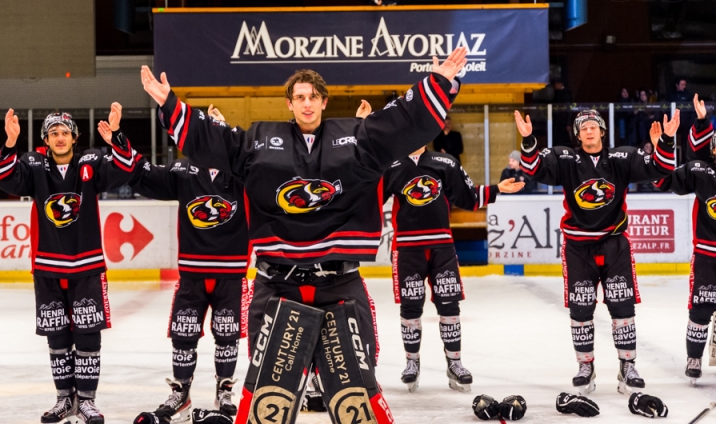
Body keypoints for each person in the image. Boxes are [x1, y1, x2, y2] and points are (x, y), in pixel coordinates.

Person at [140, 46, 467, 423]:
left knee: (355, 396)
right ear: (289, 104)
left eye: (313, 97)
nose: (307, 103)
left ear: (324, 102)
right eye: (299, 97)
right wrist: (171, 106)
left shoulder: (357, 137)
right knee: (268, 400)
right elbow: (217, 142)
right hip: (278, 285)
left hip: (339, 283)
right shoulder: (261, 139)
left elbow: (399, 122)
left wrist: (438, 84)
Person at [515, 107, 680, 395]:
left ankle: (627, 366)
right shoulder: (566, 158)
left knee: (622, 307)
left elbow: (660, 169)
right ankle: (585, 366)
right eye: (583, 127)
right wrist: (529, 142)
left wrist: (665, 142)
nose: (589, 130)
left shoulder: (622, 157)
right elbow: (534, 170)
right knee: (581, 309)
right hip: (578, 247)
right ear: (577, 135)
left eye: (593, 126)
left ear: (602, 131)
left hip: (614, 243)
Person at [100, 106, 248, 423]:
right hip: (193, 274)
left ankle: (224, 391)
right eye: (208, 133)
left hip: (231, 274)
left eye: (219, 132)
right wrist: (119, 139)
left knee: (227, 335)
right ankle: (181, 391)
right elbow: (142, 174)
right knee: (184, 334)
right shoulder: (184, 171)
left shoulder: (244, 174)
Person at [0, 105, 138, 424]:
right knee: (57, 336)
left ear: (75, 137)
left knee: (88, 335)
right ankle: (64, 399)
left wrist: (116, 136)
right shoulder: (34, 165)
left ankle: (85, 400)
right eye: (53, 133)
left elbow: (127, 168)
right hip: (47, 267)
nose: (60, 138)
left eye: (64, 133)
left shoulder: (91, 163)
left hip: (86, 266)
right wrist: (10, 142)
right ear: (46, 139)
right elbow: (5, 179)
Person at [383, 144, 523, 393]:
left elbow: (465, 195)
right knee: (411, 306)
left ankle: (455, 362)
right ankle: (411, 363)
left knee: (449, 304)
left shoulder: (444, 162)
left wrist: (496, 189)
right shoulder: (390, 163)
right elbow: (367, 199)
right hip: (407, 248)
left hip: (442, 245)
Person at [658, 94, 716, 383]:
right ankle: (694, 358)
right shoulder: (701, 171)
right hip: (708, 254)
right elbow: (664, 180)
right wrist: (702, 122)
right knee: (701, 307)